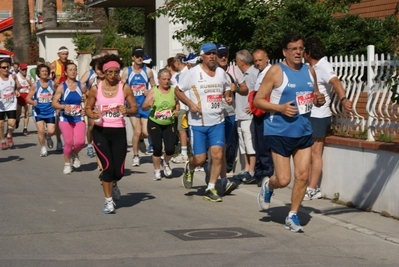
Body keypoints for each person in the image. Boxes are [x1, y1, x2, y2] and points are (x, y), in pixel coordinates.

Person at [254, 33, 326, 232]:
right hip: (279, 131)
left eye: (300, 48)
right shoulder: (276, 71)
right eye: (293, 49)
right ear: (284, 52)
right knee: (284, 179)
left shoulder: (309, 70)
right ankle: (269, 185)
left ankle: (292, 215)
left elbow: (315, 95)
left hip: (303, 131)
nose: (297, 52)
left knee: (303, 175)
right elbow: (258, 100)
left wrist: (319, 99)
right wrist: (280, 108)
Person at [175, 42, 233, 202]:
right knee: (200, 159)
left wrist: (228, 96)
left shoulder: (221, 73)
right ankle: (190, 166)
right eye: (209, 53)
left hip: (217, 121)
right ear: (202, 56)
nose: (213, 56)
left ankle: (211, 187)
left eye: (214, 53)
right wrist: (190, 104)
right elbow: (177, 90)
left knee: (217, 155)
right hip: (198, 124)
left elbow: (227, 86)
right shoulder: (193, 73)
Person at [85, 54, 138, 214]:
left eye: (116, 72)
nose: (113, 75)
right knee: (107, 168)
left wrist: (127, 110)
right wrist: (91, 114)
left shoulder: (124, 88)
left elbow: (135, 108)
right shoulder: (96, 88)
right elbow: (87, 108)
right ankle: (108, 202)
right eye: (110, 72)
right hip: (101, 131)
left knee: (119, 172)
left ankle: (114, 184)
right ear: (104, 73)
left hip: (118, 131)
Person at [303, 37, 353, 200]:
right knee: (308, 152)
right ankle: (307, 185)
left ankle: (313, 188)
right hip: (310, 114)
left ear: (309, 52)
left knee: (315, 153)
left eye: (303, 50)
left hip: (319, 115)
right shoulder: (311, 67)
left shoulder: (323, 66)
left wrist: (343, 99)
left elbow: (336, 81)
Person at [121, 46, 155, 167]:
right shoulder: (127, 71)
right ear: (133, 58)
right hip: (133, 106)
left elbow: (154, 87)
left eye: (141, 56)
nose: (140, 58)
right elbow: (122, 87)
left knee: (146, 132)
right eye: (137, 56)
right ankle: (136, 156)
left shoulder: (148, 71)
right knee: (137, 131)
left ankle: (141, 140)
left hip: (145, 106)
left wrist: (149, 93)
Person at [142, 68, 178, 180]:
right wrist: (148, 104)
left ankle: (166, 162)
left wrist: (177, 110)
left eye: (168, 79)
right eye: (164, 79)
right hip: (155, 122)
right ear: (159, 80)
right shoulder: (153, 91)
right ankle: (157, 171)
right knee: (157, 148)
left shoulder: (173, 90)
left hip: (169, 123)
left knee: (170, 149)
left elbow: (177, 103)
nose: (166, 81)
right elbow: (144, 106)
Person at [52, 62, 86, 174]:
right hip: (65, 118)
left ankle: (75, 153)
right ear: (66, 72)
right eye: (70, 70)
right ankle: (67, 164)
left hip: (78, 118)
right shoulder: (62, 87)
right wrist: (63, 106)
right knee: (69, 142)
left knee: (80, 142)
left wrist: (86, 100)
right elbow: (54, 103)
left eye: (75, 69)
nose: (73, 72)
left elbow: (89, 99)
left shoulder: (81, 86)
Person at [234, 49, 258, 184]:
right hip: (239, 113)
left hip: (248, 115)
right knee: (243, 144)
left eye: (237, 61)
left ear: (242, 62)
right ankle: (246, 168)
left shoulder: (254, 73)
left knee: (249, 143)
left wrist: (253, 105)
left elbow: (259, 91)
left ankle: (252, 170)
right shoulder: (241, 74)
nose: (236, 64)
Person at [251, 48, 274, 186]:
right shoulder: (260, 73)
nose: (258, 63)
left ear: (267, 59)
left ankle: (266, 173)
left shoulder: (270, 73)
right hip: (258, 112)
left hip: (267, 113)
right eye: (256, 61)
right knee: (258, 144)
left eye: (260, 60)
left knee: (265, 144)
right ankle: (259, 172)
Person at [26, 64, 56, 156]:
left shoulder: (52, 84)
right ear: (39, 73)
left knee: (51, 131)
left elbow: (58, 95)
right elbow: (28, 98)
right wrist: (32, 102)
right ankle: (43, 148)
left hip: (50, 111)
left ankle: (48, 136)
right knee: (41, 131)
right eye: (42, 71)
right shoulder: (35, 85)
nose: (45, 73)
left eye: (46, 71)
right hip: (38, 112)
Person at [50, 46, 73, 151]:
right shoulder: (54, 64)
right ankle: (59, 140)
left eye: (66, 54)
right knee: (59, 116)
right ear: (58, 54)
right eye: (63, 54)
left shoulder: (70, 62)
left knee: (71, 115)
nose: (65, 56)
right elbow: (49, 79)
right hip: (58, 92)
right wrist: (54, 83)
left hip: (69, 92)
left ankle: (70, 139)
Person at [80, 58, 102, 158]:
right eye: (98, 67)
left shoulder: (107, 75)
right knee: (91, 126)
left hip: (104, 105)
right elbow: (80, 83)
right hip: (93, 104)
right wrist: (85, 93)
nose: (100, 70)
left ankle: (101, 145)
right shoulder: (91, 75)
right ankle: (89, 145)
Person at [171, 53, 189, 164]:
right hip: (180, 106)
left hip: (186, 106)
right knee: (181, 130)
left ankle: (185, 154)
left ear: (178, 62)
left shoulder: (188, 73)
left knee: (182, 130)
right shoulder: (177, 75)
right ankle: (184, 152)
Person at [0, 59, 20, 149]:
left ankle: (9, 134)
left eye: (8, 67)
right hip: (1, 105)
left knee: (12, 123)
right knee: (0, 124)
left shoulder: (13, 76)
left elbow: (17, 86)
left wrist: (16, 90)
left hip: (11, 103)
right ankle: (3, 140)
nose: (6, 69)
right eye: (4, 67)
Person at [15, 62, 32, 135]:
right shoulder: (17, 76)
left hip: (27, 95)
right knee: (18, 113)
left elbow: (32, 86)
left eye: (25, 69)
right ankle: (17, 120)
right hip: (20, 95)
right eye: (23, 70)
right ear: (20, 70)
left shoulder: (28, 76)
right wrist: (16, 90)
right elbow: (15, 87)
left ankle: (25, 128)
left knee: (26, 112)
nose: (24, 71)